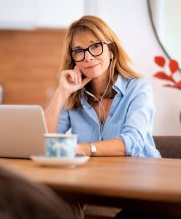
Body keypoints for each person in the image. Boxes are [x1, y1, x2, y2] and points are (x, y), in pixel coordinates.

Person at [45, 15, 160, 158]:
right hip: (96, 176)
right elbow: (46, 141)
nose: (88, 57)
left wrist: (79, 149)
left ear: (111, 50)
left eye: (95, 46)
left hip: (139, 174)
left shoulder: (138, 89)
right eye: (79, 51)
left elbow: (133, 142)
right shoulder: (73, 95)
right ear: (73, 58)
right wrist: (61, 92)